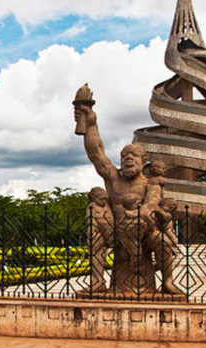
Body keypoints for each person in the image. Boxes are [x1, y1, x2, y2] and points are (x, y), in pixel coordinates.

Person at [74, 86, 181, 295]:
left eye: (133, 156)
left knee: (163, 243)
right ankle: (97, 281)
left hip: (144, 231)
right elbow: (95, 151)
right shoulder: (113, 177)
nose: (128, 159)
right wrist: (91, 121)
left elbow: (151, 205)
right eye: (124, 156)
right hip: (115, 231)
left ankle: (167, 282)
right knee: (95, 239)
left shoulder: (151, 183)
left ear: (144, 162)